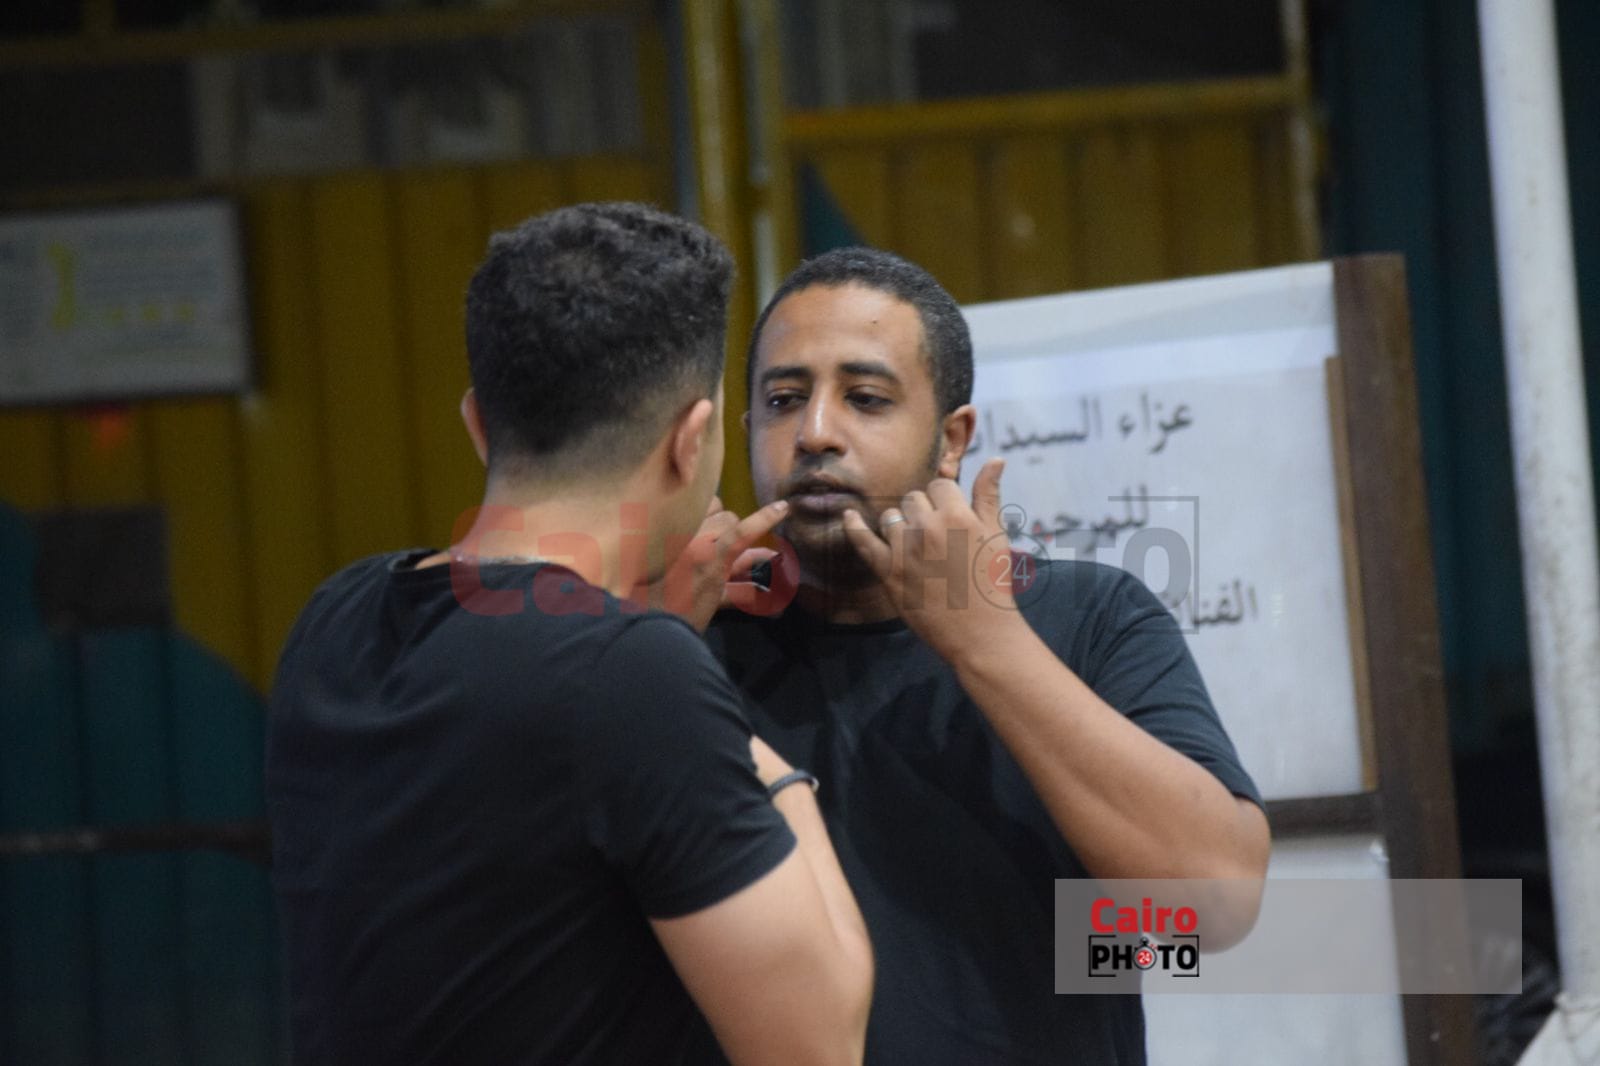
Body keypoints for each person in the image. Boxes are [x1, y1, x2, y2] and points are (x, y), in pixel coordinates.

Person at [265, 203, 872, 1066]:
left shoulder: (336, 618)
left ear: (479, 422)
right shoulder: (633, 674)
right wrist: (776, 772)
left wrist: (639, 634)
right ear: (692, 440)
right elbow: (817, 1044)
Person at [701, 246, 1271, 1065]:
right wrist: (655, 640)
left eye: (865, 398)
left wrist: (986, 642)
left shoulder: (1090, 617)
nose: (815, 433)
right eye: (784, 400)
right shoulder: (692, 644)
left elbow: (1216, 909)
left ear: (951, 439)